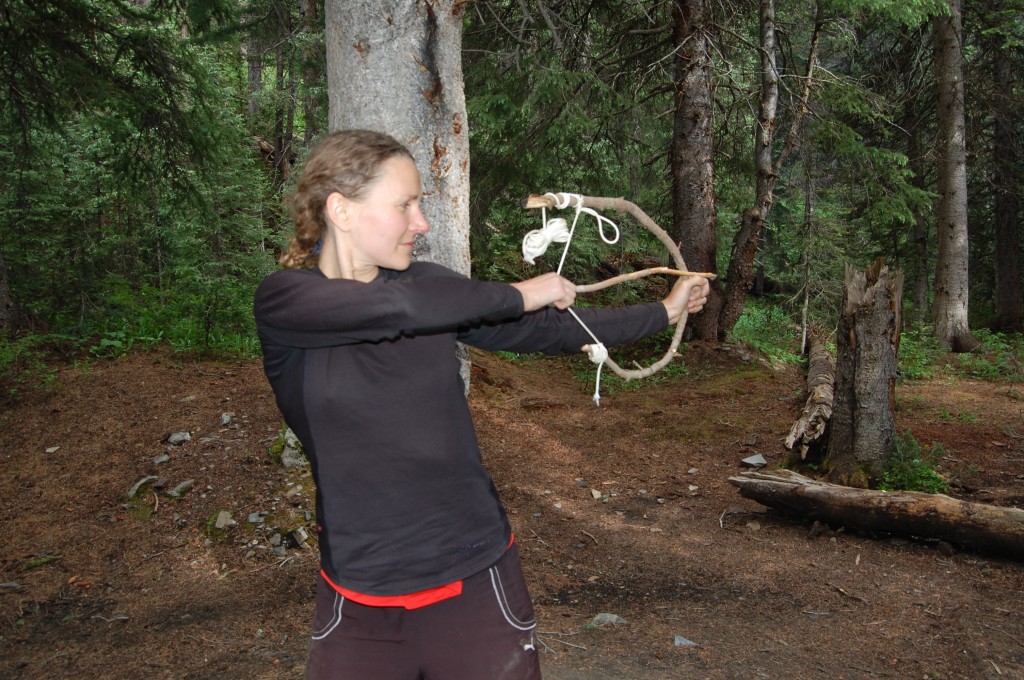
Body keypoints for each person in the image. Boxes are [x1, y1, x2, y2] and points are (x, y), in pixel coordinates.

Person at [253, 129, 709, 680]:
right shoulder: (287, 302)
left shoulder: (431, 290)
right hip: (361, 594)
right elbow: (396, 310)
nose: (420, 223)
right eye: (405, 205)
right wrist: (522, 290)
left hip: (477, 578)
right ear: (341, 211)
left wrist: (662, 311)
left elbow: (548, 330)